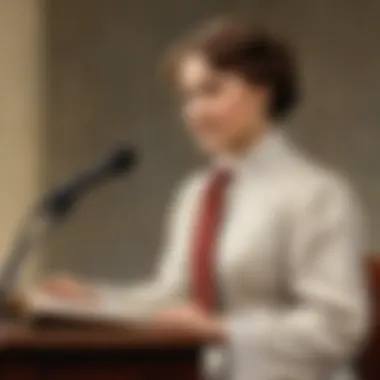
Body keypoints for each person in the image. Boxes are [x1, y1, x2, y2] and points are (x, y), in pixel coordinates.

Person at [39, 18, 369, 380]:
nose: (195, 111)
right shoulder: (197, 192)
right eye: (187, 96)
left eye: (211, 90)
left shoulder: (317, 194)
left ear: (263, 91)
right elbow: (175, 299)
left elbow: (340, 326)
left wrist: (222, 330)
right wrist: (95, 301)